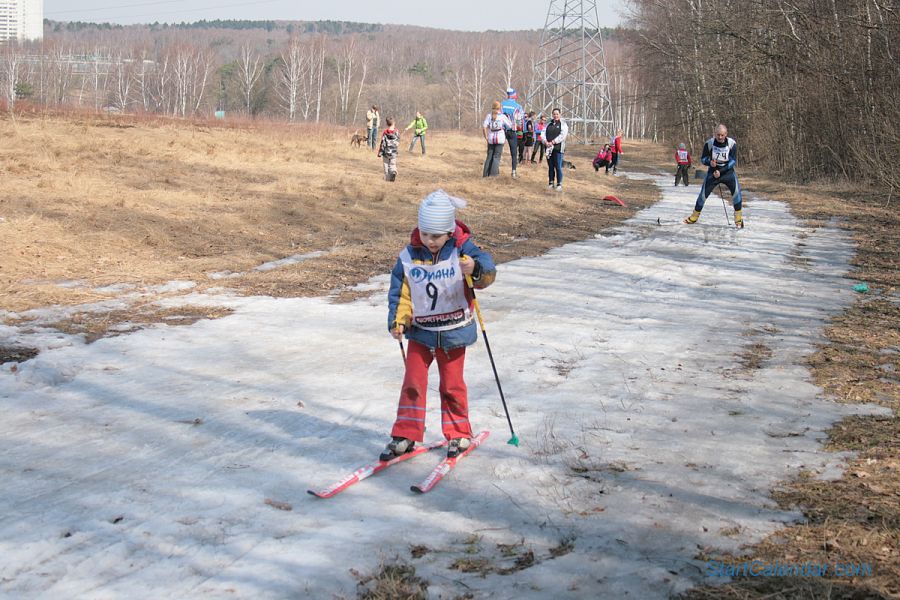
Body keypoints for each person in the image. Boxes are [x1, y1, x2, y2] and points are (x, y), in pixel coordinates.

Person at [382, 189, 497, 460]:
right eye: (425, 234)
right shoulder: (409, 256)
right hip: (420, 333)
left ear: (449, 232)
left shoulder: (462, 249)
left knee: (452, 385)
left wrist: (474, 269)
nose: (430, 241)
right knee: (413, 383)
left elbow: (487, 268)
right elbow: (400, 291)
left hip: (454, 331)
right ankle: (406, 434)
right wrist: (398, 320)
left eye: (436, 236)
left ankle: (458, 433)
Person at [684, 124, 744, 228]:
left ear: (726, 134)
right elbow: (703, 159)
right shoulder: (709, 143)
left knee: (736, 193)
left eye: (722, 135)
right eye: (718, 135)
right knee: (703, 195)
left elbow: (733, 161)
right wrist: (709, 163)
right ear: (715, 134)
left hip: (727, 172)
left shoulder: (732, 143)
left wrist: (722, 171)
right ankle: (694, 217)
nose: (720, 137)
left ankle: (738, 219)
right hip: (713, 172)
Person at [482, 100, 513, 177]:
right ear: (500, 108)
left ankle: (485, 174)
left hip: (491, 138)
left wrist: (486, 136)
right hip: (500, 138)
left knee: (489, 156)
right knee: (496, 157)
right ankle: (493, 175)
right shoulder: (502, 116)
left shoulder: (489, 116)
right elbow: (510, 125)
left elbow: (484, 127)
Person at [500, 88, 524, 178]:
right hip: (512, 131)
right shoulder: (518, 106)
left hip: (502, 130)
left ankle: (495, 170)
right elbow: (519, 120)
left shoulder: (502, 104)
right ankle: (513, 172)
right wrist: (520, 132)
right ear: (513, 95)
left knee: (498, 151)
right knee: (514, 153)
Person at [544, 108, 568, 191]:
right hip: (548, 147)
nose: (555, 115)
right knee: (550, 166)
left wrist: (553, 141)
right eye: (554, 114)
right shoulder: (549, 123)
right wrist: (545, 141)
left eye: (557, 114)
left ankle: (559, 184)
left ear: (560, 114)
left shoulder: (563, 124)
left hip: (558, 147)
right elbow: (543, 132)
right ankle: (551, 183)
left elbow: (563, 135)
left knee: (558, 166)